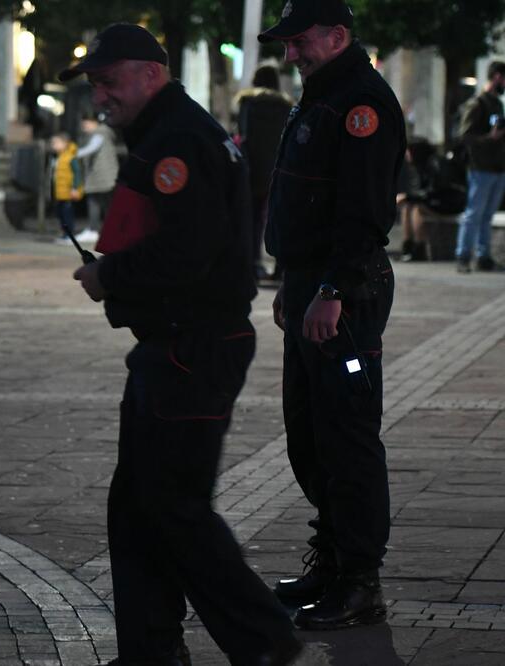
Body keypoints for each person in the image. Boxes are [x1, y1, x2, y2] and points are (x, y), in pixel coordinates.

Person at [62, 23, 300, 665]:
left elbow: (187, 252)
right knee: (138, 504)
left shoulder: (179, 140)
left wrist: (109, 274)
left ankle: (265, 641)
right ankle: (153, 650)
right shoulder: (171, 132)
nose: (100, 97)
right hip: (176, 342)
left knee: (173, 505)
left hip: (190, 345)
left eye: (108, 82)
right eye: (94, 86)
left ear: (151, 73)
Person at [259, 0, 405, 630]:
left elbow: (364, 211)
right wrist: (294, 283)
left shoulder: (361, 102)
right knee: (310, 434)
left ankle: (359, 582)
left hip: (342, 295)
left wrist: (332, 289)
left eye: (300, 42)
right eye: (287, 44)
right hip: (309, 286)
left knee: (347, 437)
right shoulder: (324, 91)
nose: (291, 53)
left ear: (339, 35)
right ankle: (333, 558)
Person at [233, 64, 293, 282]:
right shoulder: (286, 105)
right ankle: (280, 266)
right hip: (278, 168)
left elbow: (243, 134)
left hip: (252, 168)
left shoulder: (248, 102)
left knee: (253, 218)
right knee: (277, 218)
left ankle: (253, 264)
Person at [454, 60, 505, 273]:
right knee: (474, 213)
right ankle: (463, 255)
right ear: (497, 77)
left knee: (487, 215)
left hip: (497, 167)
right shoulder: (478, 103)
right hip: (480, 167)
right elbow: (464, 135)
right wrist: (489, 138)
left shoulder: (497, 104)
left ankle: (484, 256)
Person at [75, 113, 119, 244]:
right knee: (101, 203)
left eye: (86, 123)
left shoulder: (100, 133)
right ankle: (104, 230)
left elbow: (92, 148)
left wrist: (72, 154)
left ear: (95, 122)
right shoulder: (101, 133)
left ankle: (96, 230)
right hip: (101, 176)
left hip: (103, 175)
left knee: (100, 203)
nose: (84, 126)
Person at [396, 138, 441, 262]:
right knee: (407, 207)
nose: (406, 155)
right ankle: (408, 247)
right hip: (433, 201)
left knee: (417, 209)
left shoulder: (433, 164)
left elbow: (433, 191)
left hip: (445, 202)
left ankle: (419, 249)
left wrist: (408, 197)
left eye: (408, 151)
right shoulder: (419, 166)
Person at [49, 132, 83, 240]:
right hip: (59, 192)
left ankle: (69, 235)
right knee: (61, 214)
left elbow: (77, 173)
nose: (53, 145)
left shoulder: (71, 157)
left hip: (68, 192)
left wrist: (75, 188)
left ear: (65, 143)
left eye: (56, 142)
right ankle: (64, 234)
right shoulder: (57, 157)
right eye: (52, 143)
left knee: (67, 215)